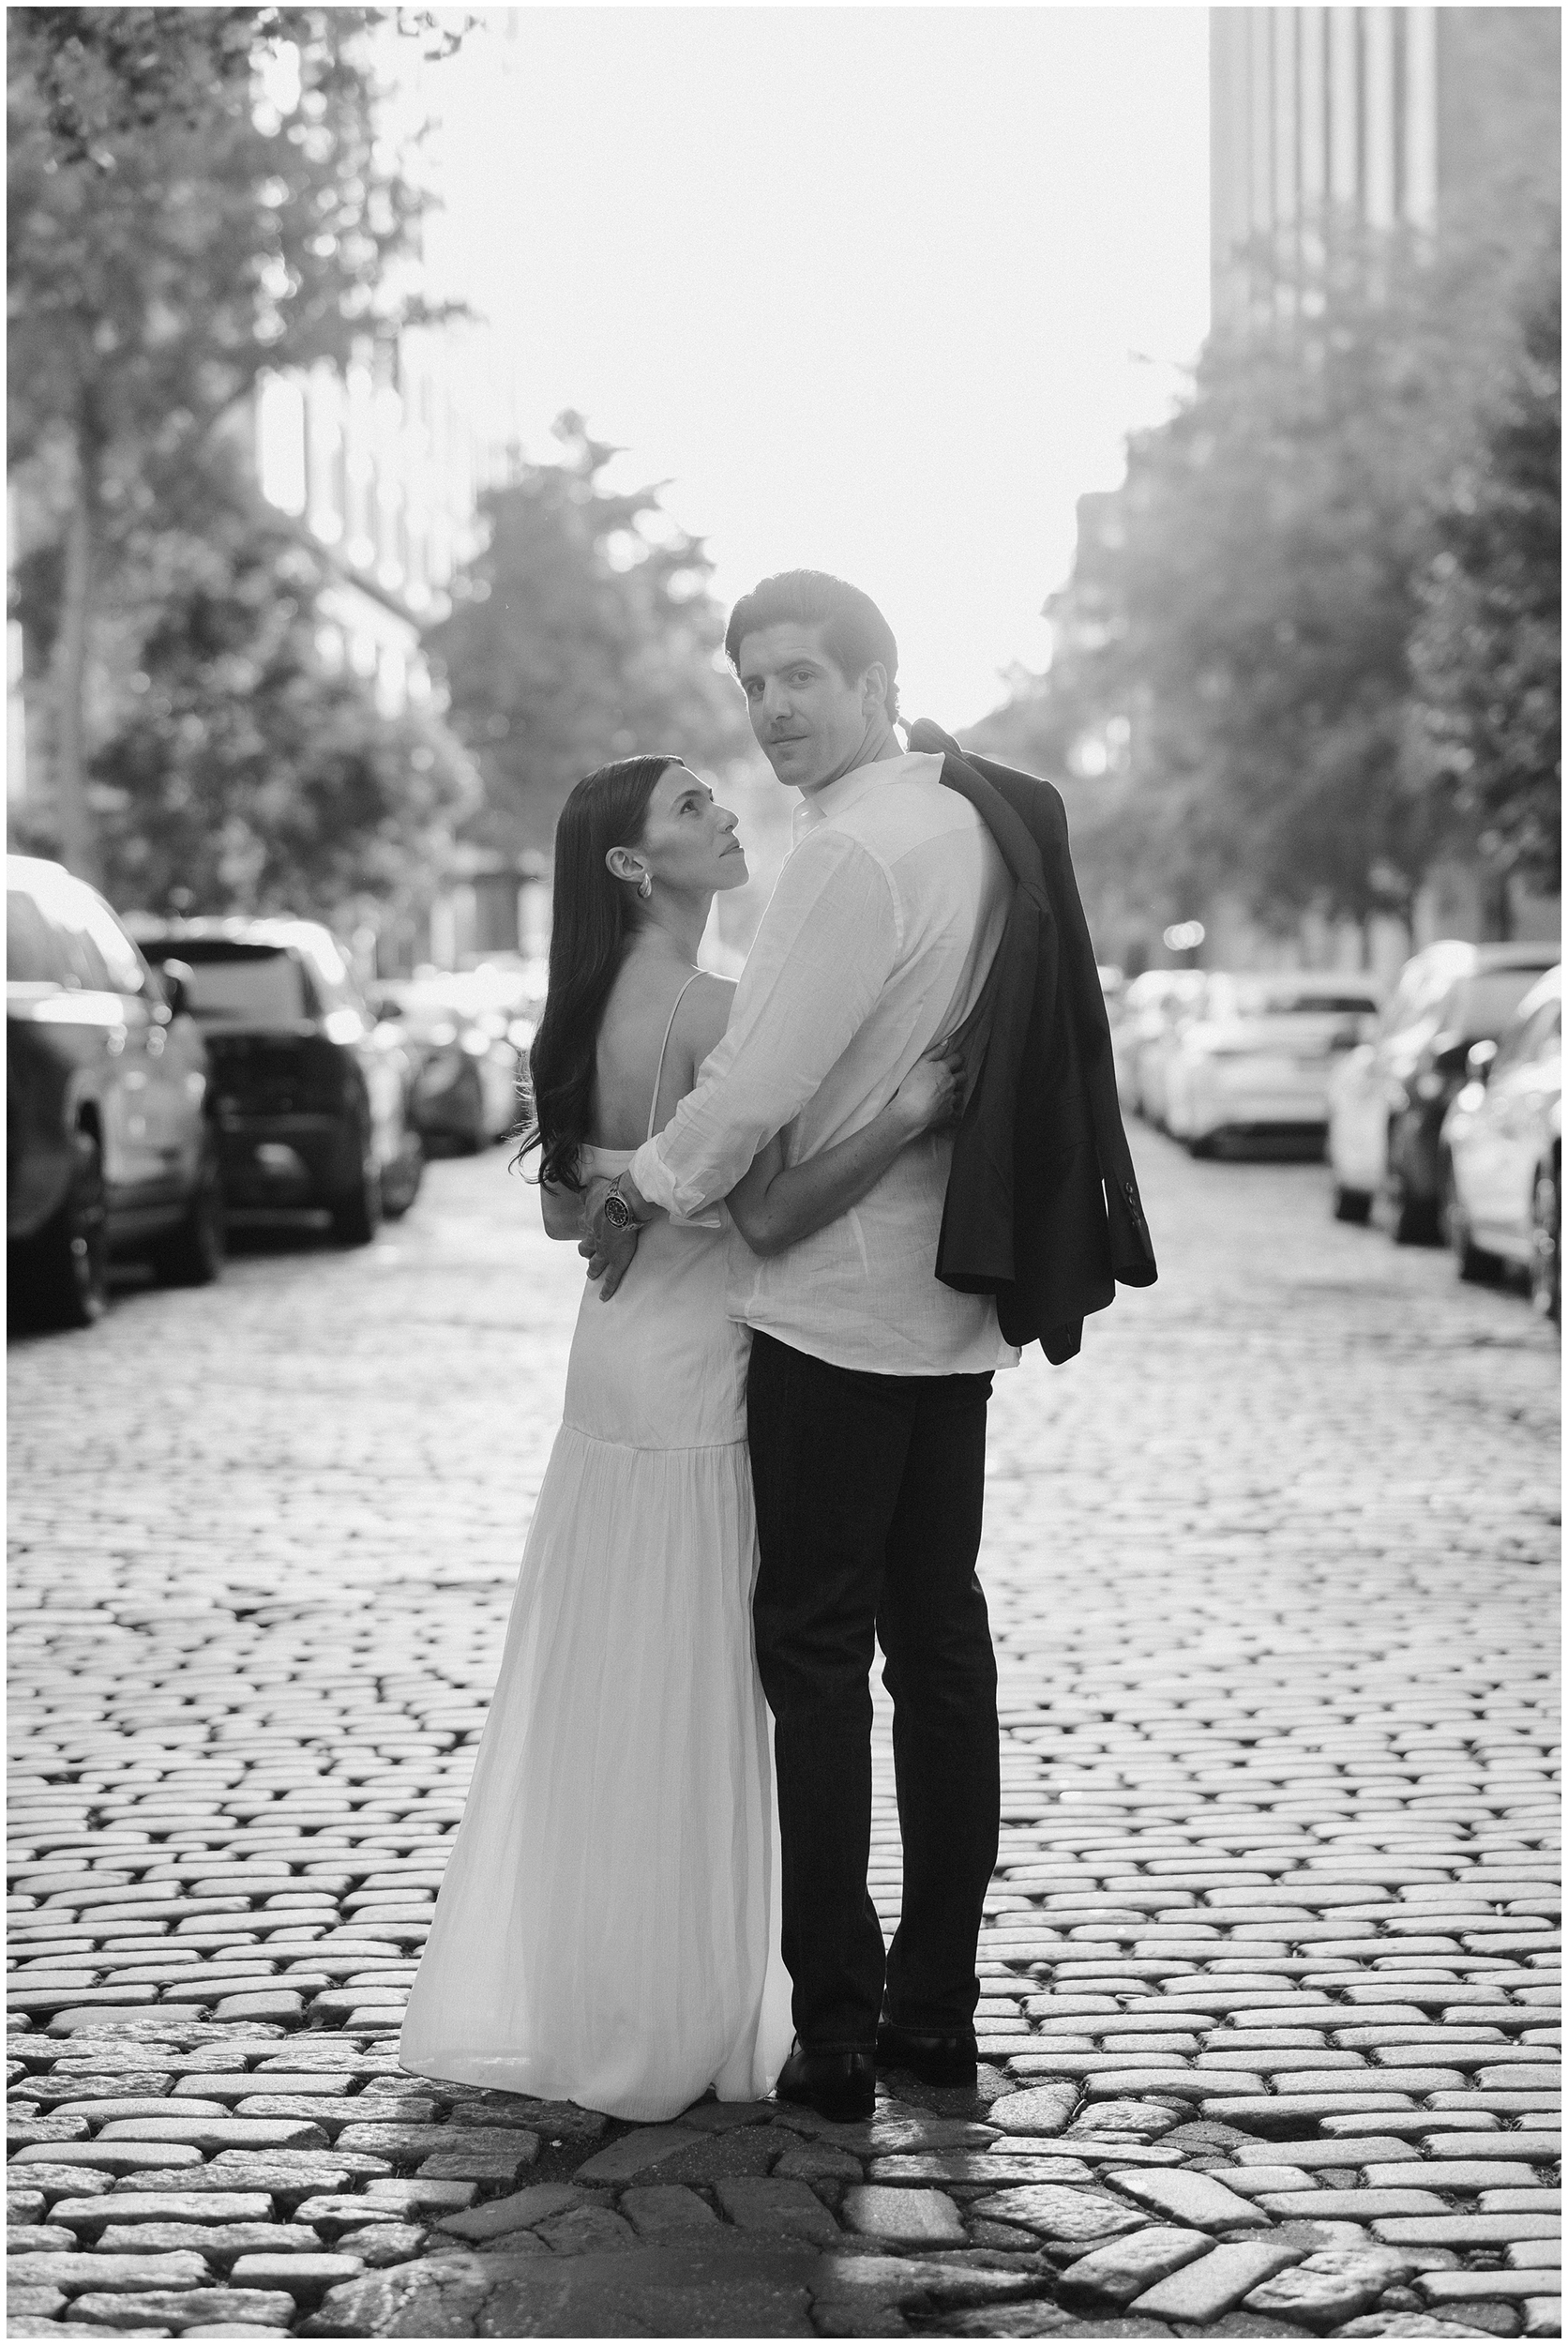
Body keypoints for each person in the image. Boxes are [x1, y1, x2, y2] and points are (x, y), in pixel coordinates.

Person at [400, 750, 963, 2122]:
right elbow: (771, 1215)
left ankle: (604, 1984)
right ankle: (682, 2001)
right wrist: (906, 1116)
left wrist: (626, 1195)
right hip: (710, 1374)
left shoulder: (580, 1009)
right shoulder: (718, 1013)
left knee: (618, 1678)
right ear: (632, 868)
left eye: (717, 798)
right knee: (706, 1679)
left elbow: (559, 1215)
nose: (726, 818)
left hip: (611, 1372)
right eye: (691, 812)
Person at [583, 574, 1017, 2122]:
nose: (772, 710)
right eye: (753, 682)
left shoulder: (850, 854)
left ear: (881, 678)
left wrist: (642, 1185)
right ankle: (939, 2009)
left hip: (835, 1310)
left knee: (822, 1655)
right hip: (953, 1307)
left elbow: (754, 1087)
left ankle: (838, 2025)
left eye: (803, 679)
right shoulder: (977, 826)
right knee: (941, 1646)